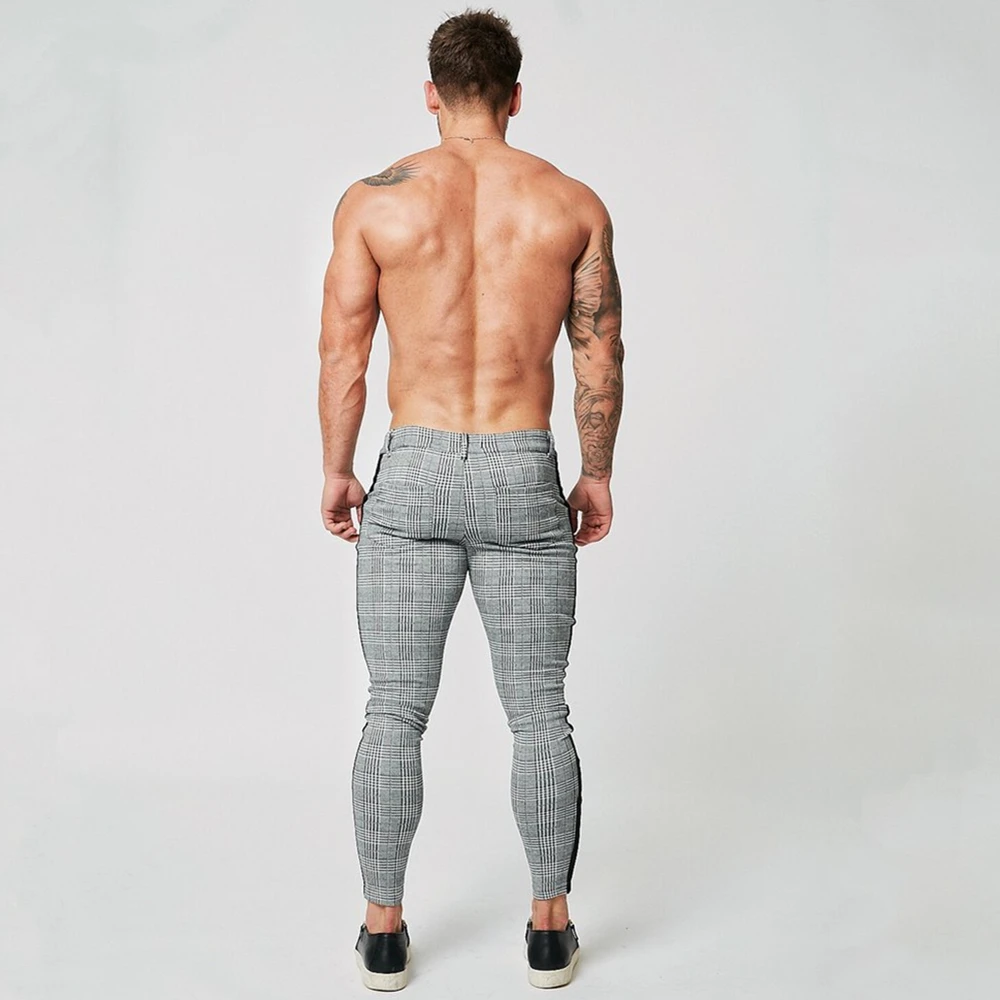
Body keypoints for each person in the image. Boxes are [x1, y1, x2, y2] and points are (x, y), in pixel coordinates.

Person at [317, 7, 623, 991]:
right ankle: (549, 932)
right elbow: (600, 355)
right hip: (520, 468)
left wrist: (337, 467)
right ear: (515, 97)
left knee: (392, 711)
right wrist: (596, 471)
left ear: (432, 94)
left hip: (411, 468)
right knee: (539, 715)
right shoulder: (570, 203)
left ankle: (383, 932)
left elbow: (343, 355)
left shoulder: (375, 202)